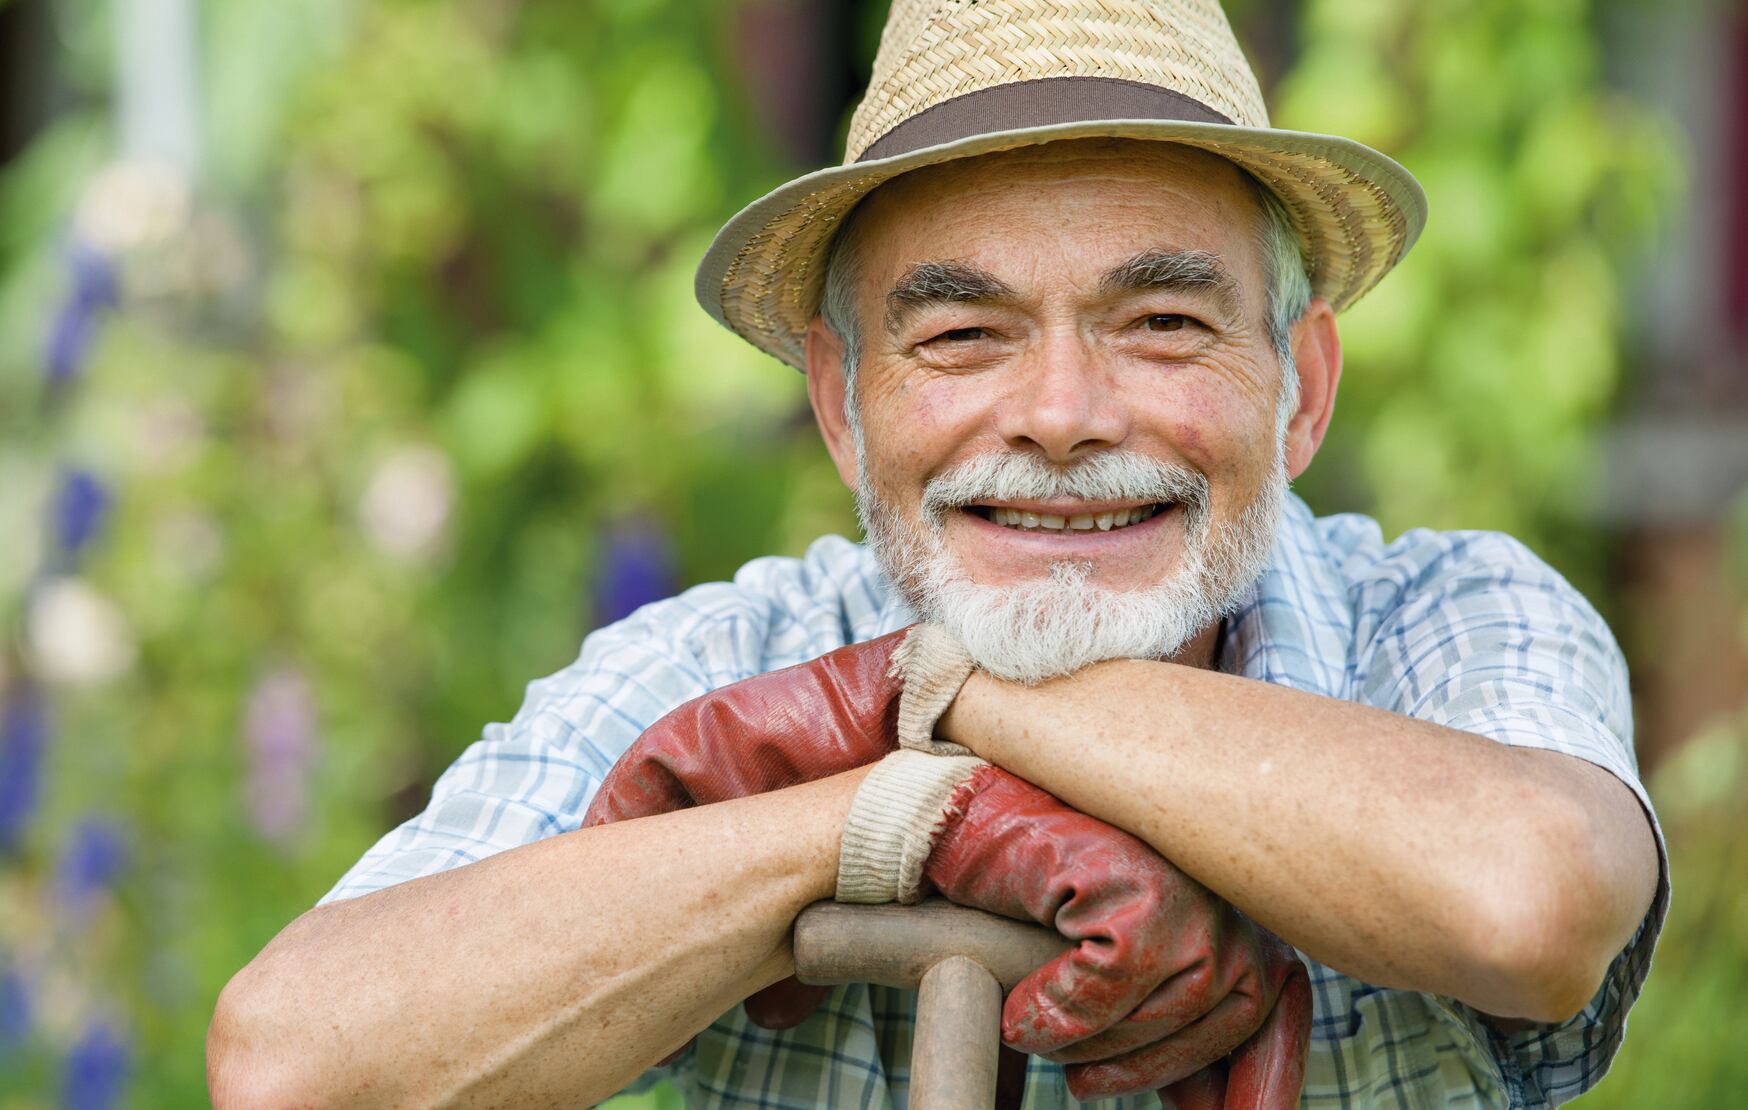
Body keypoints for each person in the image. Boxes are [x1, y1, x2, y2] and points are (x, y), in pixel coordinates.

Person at [206, 1, 1666, 1107]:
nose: (1059, 415)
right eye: (963, 334)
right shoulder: (726, 652)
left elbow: (1529, 898)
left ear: (1303, 390)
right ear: (843, 408)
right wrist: (889, 810)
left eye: (1161, 323)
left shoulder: (1443, 612)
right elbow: (290, 1062)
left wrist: (947, 688)